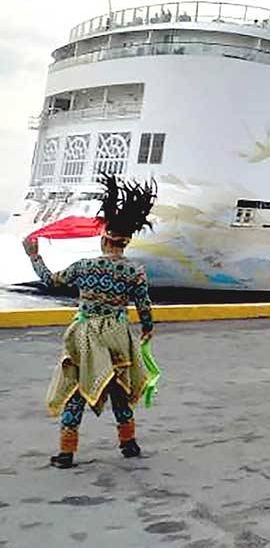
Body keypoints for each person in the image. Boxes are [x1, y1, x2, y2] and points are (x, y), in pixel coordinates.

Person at [23, 175, 156, 469]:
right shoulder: (135, 271)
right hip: (118, 334)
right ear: (126, 241)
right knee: (119, 387)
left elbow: (51, 281)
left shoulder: (85, 267)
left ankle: (67, 453)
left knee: (76, 389)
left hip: (85, 334)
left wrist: (35, 257)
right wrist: (147, 331)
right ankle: (129, 443)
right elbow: (145, 308)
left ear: (103, 238)